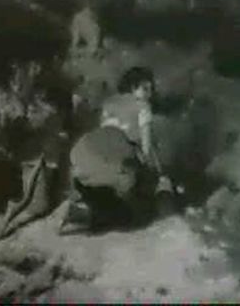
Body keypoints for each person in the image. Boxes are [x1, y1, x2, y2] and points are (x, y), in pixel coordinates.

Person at [61, 66, 168, 232]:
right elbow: (146, 149)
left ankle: (83, 207)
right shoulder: (143, 107)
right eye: (145, 88)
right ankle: (86, 214)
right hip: (111, 164)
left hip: (80, 155)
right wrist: (158, 177)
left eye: (151, 89)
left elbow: (103, 133)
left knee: (110, 179)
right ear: (133, 87)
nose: (150, 93)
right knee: (130, 215)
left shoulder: (110, 102)